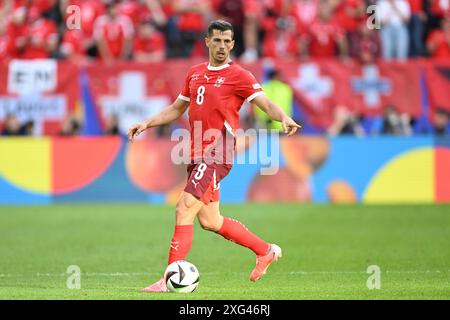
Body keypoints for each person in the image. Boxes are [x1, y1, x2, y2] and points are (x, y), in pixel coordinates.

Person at [128, 20, 301, 292]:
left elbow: (264, 102)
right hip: (197, 154)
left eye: (227, 41)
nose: (222, 46)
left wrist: (284, 117)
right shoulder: (194, 73)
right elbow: (176, 109)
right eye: (217, 40)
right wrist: (147, 123)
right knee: (210, 220)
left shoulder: (240, 75)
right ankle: (265, 250)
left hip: (216, 152)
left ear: (233, 44)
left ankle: (168, 278)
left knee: (183, 208)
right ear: (207, 41)